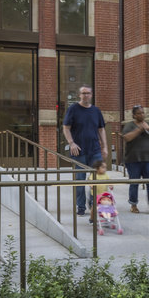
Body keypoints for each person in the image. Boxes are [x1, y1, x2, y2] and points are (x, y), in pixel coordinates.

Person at [61, 85, 106, 216]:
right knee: (80, 180)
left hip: (95, 150)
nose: (86, 95)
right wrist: (71, 143)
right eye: (83, 93)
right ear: (79, 95)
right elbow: (66, 127)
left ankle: (93, 204)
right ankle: (80, 206)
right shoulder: (73, 109)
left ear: (91, 95)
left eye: (88, 93)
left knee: (96, 179)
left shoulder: (96, 111)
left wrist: (105, 147)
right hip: (79, 151)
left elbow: (101, 129)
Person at [120, 104, 149, 213]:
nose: (141, 115)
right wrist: (140, 129)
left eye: (143, 113)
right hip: (133, 160)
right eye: (139, 113)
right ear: (134, 115)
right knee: (134, 183)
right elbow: (127, 138)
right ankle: (133, 205)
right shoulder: (129, 126)